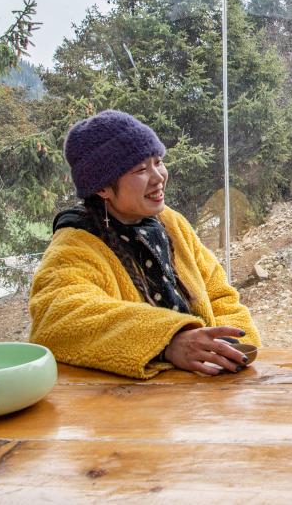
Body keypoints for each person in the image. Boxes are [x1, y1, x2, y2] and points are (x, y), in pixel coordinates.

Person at [29, 110, 261, 379]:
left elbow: (219, 295)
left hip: (206, 387)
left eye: (158, 162)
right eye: (140, 169)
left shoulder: (171, 222)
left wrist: (231, 348)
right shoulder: (75, 245)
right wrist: (169, 341)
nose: (158, 176)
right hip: (125, 399)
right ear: (102, 188)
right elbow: (58, 317)